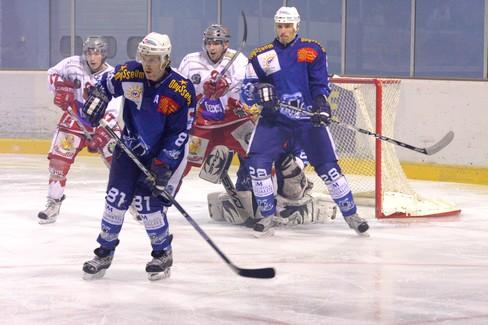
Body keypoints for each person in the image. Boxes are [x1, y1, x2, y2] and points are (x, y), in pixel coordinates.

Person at [240, 6, 369, 235]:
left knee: (329, 169)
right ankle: (267, 215)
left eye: (288, 26)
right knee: (258, 166)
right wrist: (261, 91)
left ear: (296, 26)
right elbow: (246, 91)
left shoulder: (312, 50)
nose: (283, 31)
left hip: (307, 120)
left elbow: (320, 84)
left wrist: (321, 104)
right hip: (274, 121)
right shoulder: (261, 55)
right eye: (280, 26)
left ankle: (352, 215)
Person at [80, 32, 196, 281]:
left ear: (166, 59)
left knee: (149, 205)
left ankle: (162, 252)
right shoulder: (130, 73)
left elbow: (180, 133)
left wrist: (164, 164)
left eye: (153, 59)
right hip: (130, 147)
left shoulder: (181, 90)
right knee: (115, 200)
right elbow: (104, 85)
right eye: (144, 57)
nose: (147, 64)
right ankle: (104, 252)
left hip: (167, 155)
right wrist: (97, 99)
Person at [38, 36, 122, 224]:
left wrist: (101, 132)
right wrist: (60, 88)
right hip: (75, 119)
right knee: (58, 164)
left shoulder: (112, 75)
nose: (93, 57)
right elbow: (52, 73)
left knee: (122, 166)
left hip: (102, 124)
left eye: (97, 53)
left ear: (104, 54)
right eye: (89, 52)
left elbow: (114, 109)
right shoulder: (72, 64)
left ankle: (131, 202)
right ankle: (53, 203)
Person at [177, 24, 255, 223]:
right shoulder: (190, 61)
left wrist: (227, 90)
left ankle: (265, 198)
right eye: (209, 43)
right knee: (181, 161)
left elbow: (246, 91)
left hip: (233, 122)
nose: (212, 47)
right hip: (203, 126)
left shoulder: (239, 61)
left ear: (226, 44)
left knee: (258, 154)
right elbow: (180, 93)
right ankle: (159, 201)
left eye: (217, 43)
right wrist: (201, 92)